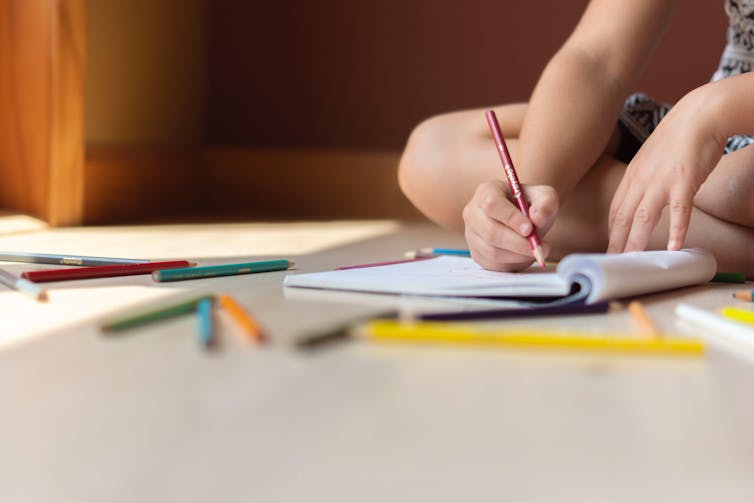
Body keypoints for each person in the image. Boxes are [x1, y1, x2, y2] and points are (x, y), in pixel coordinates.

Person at [398, 0, 754, 277]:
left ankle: (693, 223)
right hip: (705, 133)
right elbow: (597, 60)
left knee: (735, 184)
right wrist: (529, 200)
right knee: (433, 154)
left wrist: (710, 109)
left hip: (717, 119)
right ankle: (720, 233)